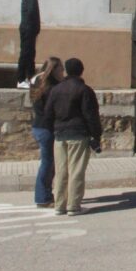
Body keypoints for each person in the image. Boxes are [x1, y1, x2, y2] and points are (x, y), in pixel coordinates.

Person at [43, 57, 102, 216]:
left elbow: (48, 113)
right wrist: (96, 135)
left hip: (59, 134)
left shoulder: (56, 90)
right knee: (76, 171)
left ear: (67, 71)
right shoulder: (84, 90)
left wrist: (53, 129)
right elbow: (91, 115)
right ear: (81, 71)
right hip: (78, 134)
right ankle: (73, 205)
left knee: (61, 171)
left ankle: (59, 204)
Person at [29, 57, 64, 208]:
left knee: (49, 163)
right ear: (53, 70)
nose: (63, 72)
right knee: (48, 163)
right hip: (47, 128)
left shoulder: (37, 82)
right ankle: (43, 198)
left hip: (38, 126)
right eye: (60, 69)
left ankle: (46, 195)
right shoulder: (52, 88)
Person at [17, 0, 44, 89]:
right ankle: (21, 79)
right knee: (26, 53)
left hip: (27, 28)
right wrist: (35, 26)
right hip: (29, 28)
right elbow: (32, 11)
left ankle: (30, 78)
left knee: (30, 53)